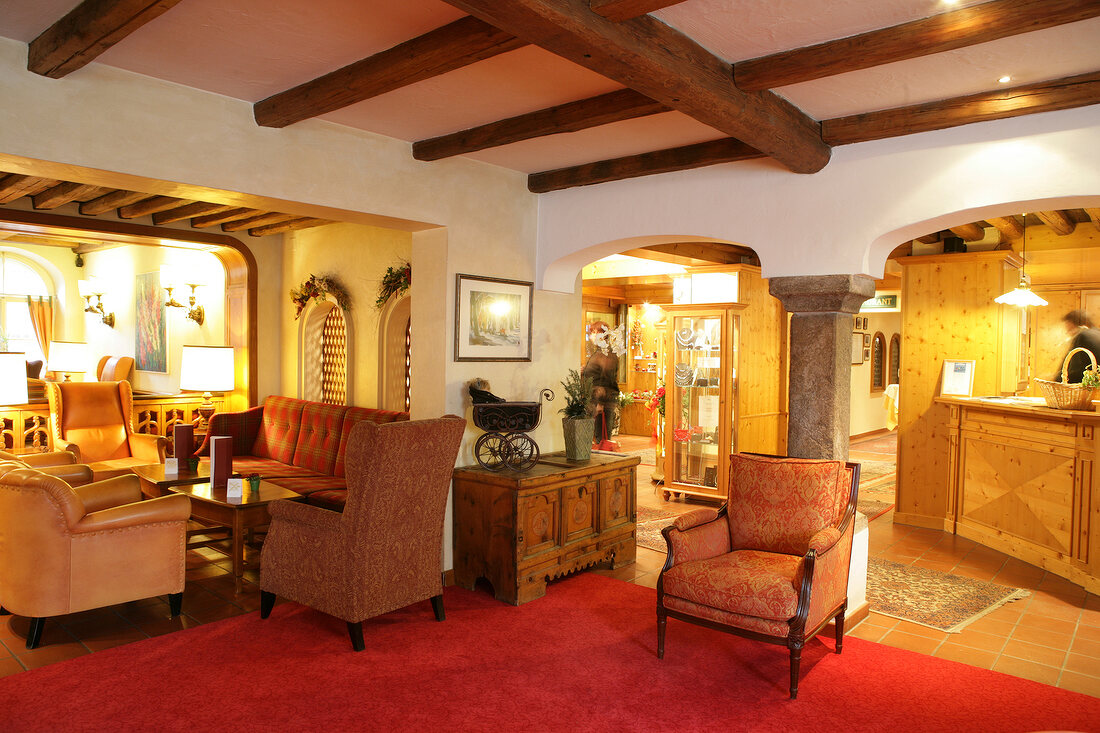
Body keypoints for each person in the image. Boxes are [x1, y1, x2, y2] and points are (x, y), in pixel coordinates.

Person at [582, 321, 620, 450]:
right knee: (600, 436)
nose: (591, 336)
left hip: (602, 399)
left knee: (601, 437)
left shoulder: (605, 353)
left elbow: (606, 379)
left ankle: (603, 465)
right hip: (599, 398)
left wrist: (600, 403)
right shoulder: (601, 352)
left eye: (593, 333)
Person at [1055, 310, 1100, 383]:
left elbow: (1074, 368)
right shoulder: (1097, 332)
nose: (1067, 331)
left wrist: (1057, 379)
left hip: (1086, 387)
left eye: (1068, 326)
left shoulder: (1083, 336)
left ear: (1074, 324)